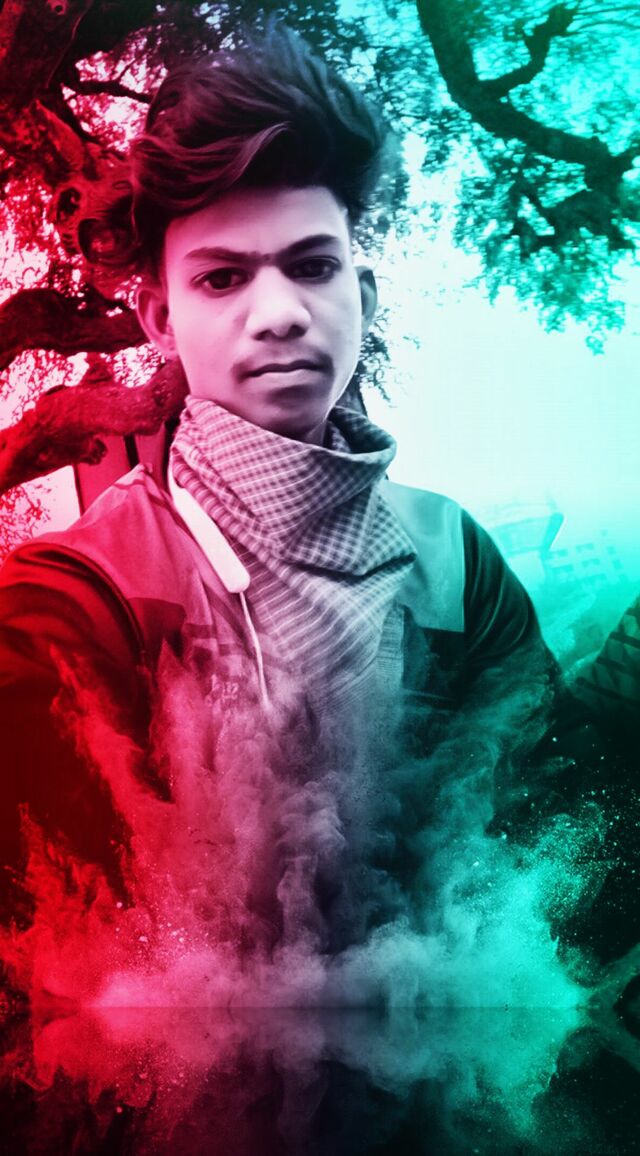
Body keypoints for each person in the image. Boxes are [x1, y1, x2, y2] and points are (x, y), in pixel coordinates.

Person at [0, 29, 558, 955]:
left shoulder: (454, 557)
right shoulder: (77, 595)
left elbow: (551, 837)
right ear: (159, 318)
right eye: (222, 278)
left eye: (312, 266)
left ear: (362, 297)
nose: (281, 313)